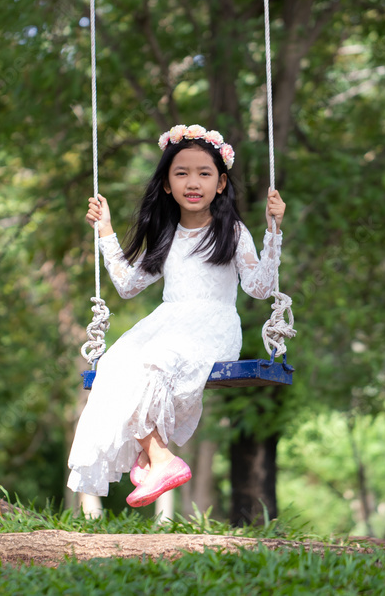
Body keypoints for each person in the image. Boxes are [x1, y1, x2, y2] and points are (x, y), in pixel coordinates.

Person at [67, 124, 286, 507]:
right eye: (181, 173)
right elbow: (127, 285)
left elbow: (260, 287)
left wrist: (274, 231)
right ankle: (157, 457)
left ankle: (156, 458)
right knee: (116, 363)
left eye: (204, 173)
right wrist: (105, 231)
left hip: (212, 326)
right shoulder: (166, 235)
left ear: (220, 183)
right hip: (167, 323)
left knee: (153, 363)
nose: (193, 182)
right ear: (167, 184)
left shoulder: (231, 231)